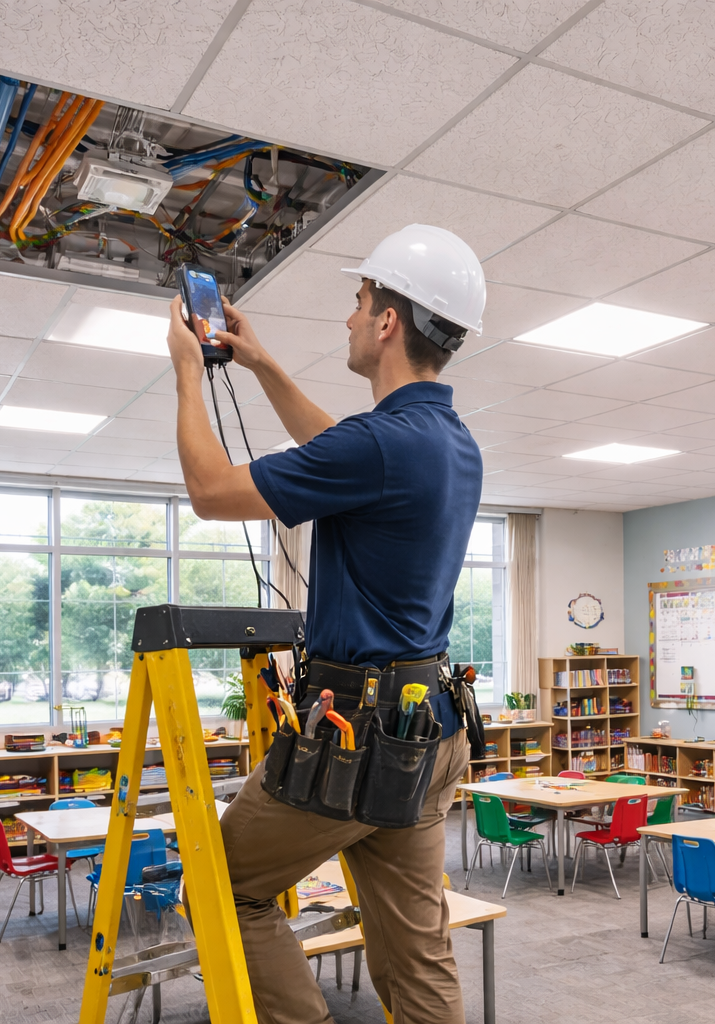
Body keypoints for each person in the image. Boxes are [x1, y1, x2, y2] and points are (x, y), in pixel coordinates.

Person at [164, 224, 487, 1024]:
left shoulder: (383, 446)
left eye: (359, 300)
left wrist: (186, 376)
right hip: (426, 731)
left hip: (355, 737)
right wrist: (263, 363)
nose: (349, 316)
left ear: (387, 323)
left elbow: (209, 491)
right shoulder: (448, 441)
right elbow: (339, 445)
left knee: (223, 889)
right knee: (416, 954)